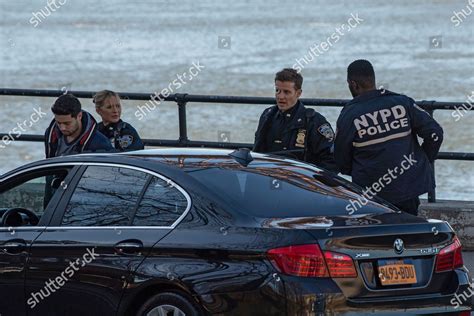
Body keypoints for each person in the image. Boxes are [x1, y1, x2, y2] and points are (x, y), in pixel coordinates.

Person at [335, 59, 443, 215]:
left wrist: (359, 171)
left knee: (376, 237)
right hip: (408, 187)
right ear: (373, 79)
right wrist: (421, 161)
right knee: (408, 233)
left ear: (353, 84)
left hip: (371, 193)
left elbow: (341, 159)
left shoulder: (349, 115)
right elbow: (435, 134)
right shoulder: (401, 102)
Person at [253, 68, 337, 171]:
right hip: (269, 175)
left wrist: (311, 180)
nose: (280, 96)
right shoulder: (267, 116)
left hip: (299, 181)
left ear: (298, 93)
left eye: (286, 92)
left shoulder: (313, 122)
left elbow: (331, 161)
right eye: (277, 90)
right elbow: (257, 152)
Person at [45, 94, 113, 158]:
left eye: (67, 123)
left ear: (79, 116)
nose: (62, 128)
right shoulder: (50, 134)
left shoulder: (100, 144)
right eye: (58, 123)